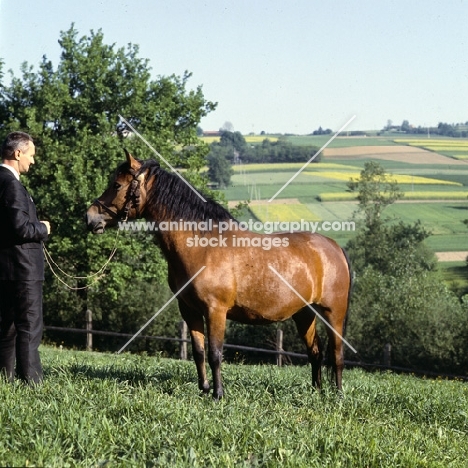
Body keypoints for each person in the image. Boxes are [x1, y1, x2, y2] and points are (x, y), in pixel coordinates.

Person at [0, 131, 50, 384]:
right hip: (23, 269)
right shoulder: (12, 185)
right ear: (17, 153)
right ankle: (32, 384)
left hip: (5, 269)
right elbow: (22, 229)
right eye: (31, 155)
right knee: (29, 329)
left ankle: (5, 379)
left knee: (7, 329)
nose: (33, 161)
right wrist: (44, 228)